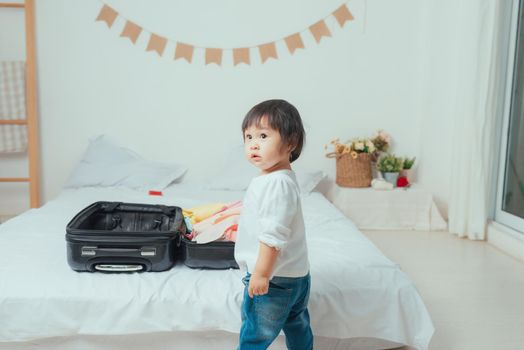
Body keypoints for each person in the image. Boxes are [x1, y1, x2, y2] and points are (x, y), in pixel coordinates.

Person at [234, 99, 313, 350]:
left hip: (274, 279)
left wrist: (261, 274)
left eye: (263, 135)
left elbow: (272, 236)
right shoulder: (278, 179)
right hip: (296, 274)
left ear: (291, 143)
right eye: (248, 137)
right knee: (297, 324)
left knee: (255, 334)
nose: (253, 144)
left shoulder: (276, 184)